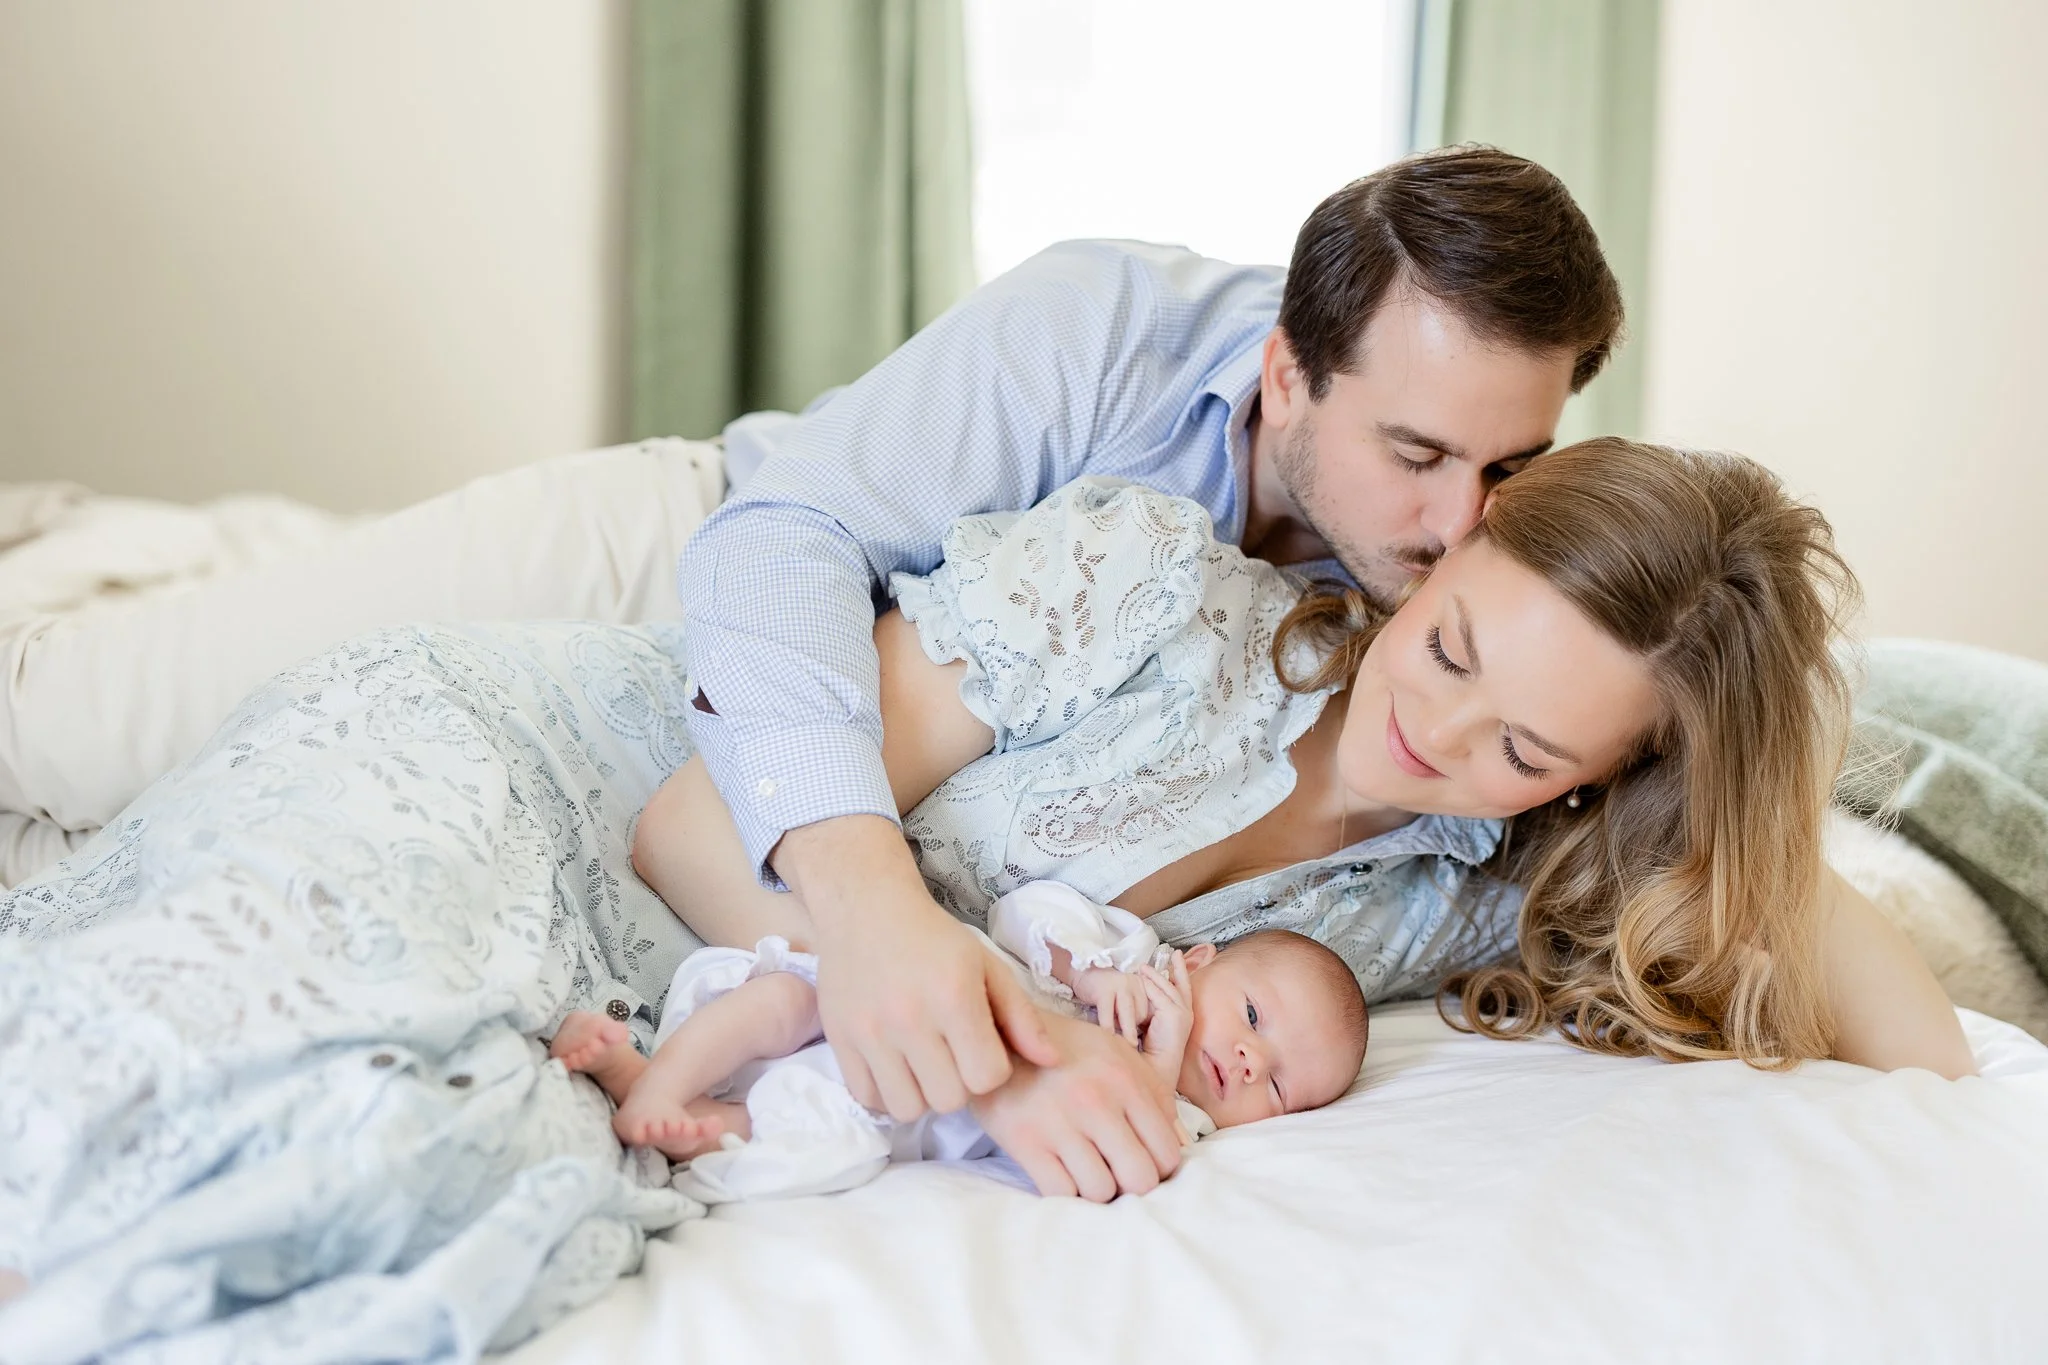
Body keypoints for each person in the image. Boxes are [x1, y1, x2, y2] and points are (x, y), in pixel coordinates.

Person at [635, 445, 1977, 1201]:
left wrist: (1732, 797)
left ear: (1597, 780)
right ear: (1458, 542)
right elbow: (689, 828)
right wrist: (1008, 1062)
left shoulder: (1468, 895)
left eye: (1523, 747)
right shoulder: (1141, 589)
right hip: (645, 848)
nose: (1433, 733)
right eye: (1448, 647)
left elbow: (1937, 1070)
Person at [672, 146, 1627, 1191]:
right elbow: (775, 545)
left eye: (1508, 468)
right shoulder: (1091, 335)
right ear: (1284, 377)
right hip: (757, 545)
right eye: (1415, 455)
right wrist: (892, 933)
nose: (1457, 524)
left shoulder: (1424, 619)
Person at [544, 878, 1367, 1200]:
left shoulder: (1186, 1123)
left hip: (913, 1103)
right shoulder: (1127, 953)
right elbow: (1020, 913)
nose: (1251, 1060)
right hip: (903, 995)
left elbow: (1128, 1143)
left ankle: (667, 1113)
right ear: (1198, 960)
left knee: (812, 1123)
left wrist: (1160, 1055)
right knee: (786, 998)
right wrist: (1090, 978)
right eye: (1253, 1016)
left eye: (1279, 1084)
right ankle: (660, 1076)